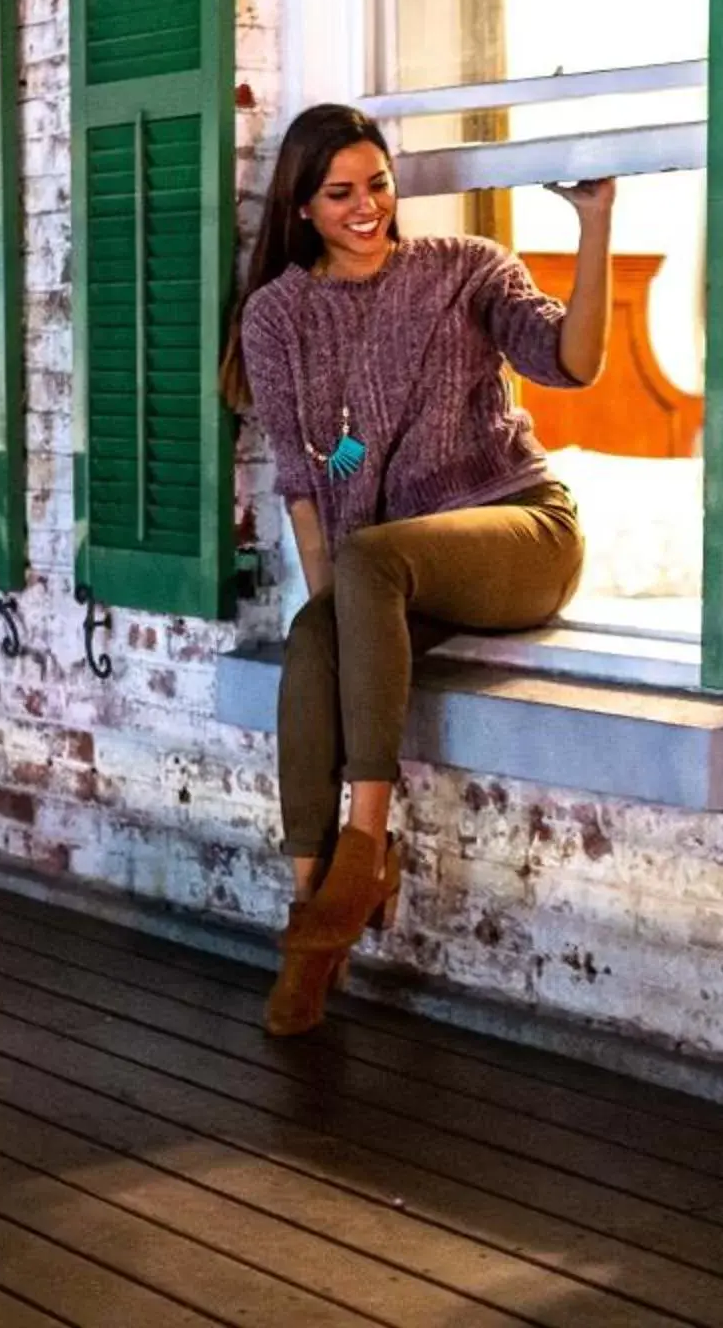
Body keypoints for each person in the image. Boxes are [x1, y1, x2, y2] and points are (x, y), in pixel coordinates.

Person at [222, 102, 615, 1034]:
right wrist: (337, 627)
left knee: (364, 569)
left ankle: (365, 847)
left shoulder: (465, 271)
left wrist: (594, 225)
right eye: (340, 192)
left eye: (380, 184)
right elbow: (305, 490)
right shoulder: (278, 315)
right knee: (311, 637)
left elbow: (576, 361)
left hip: (520, 533)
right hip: (392, 568)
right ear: (303, 205)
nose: (367, 207)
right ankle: (309, 915)